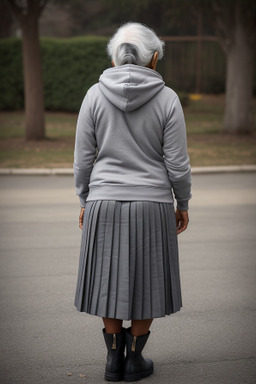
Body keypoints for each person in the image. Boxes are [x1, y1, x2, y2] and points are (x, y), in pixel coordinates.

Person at [73, 22, 191, 382]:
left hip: (103, 201)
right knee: (149, 281)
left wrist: (84, 198)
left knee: (107, 279)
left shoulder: (94, 95)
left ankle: (113, 359)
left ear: (113, 58)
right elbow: (177, 162)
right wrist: (182, 202)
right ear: (154, 58)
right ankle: (136, 359)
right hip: (152, 203)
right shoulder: (167, 98)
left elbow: (83, 159)